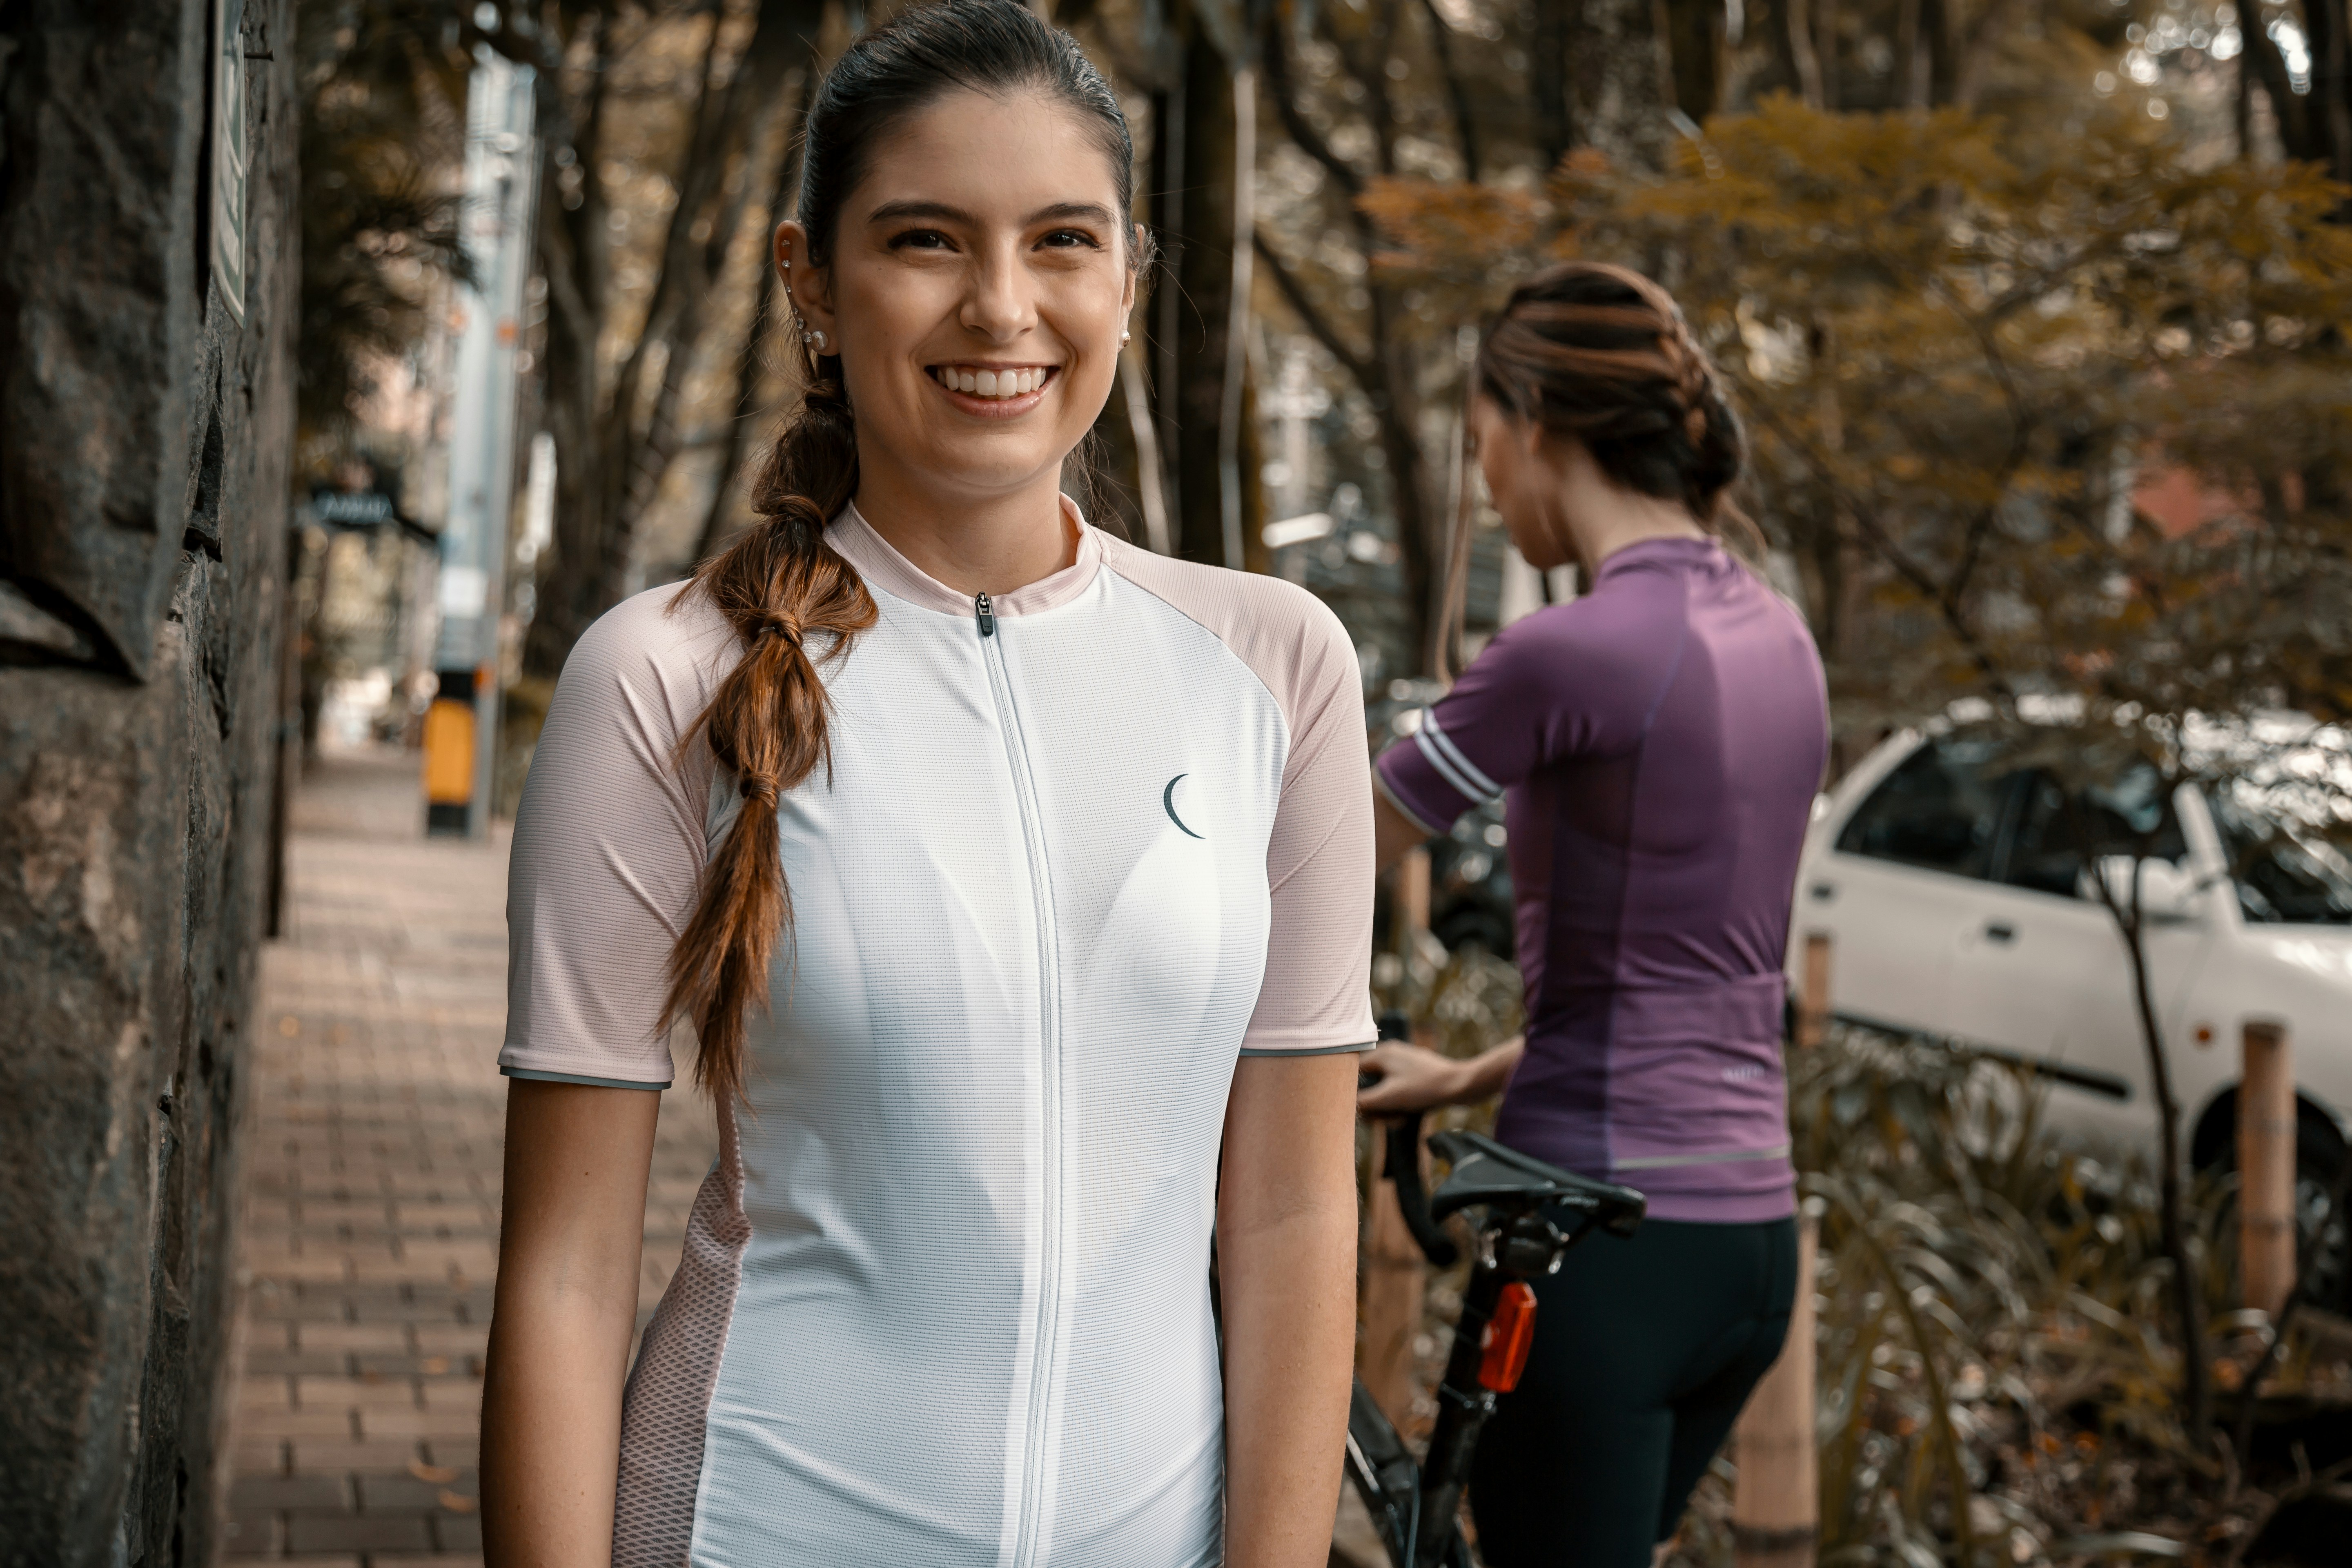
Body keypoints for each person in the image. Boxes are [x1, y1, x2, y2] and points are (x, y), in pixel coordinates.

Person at [479, 6, 1373, 1564]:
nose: (1002, 307)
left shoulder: (1273, 666)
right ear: (810, 281)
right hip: (746, 1525)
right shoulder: (666, 677)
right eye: (925, 240)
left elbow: (1296, 1219)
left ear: (1128, 276)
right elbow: (562, 1269)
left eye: (1063, 242)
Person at [1356, 262, 1829, 1568]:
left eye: (1480, 444)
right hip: (1747, 1255)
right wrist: (1461, 1074)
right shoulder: (1783, 639)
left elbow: (1321, 856)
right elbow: (1694, 988)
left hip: (1597, 1251)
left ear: (1536, 419)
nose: (1486, 482)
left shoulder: (1571, 650)